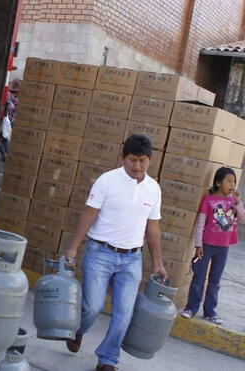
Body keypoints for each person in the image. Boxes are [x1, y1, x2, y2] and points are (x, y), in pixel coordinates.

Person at [64, 134, 168, 371]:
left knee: (124, 314)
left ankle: (107, 359)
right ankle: (79, 329)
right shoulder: (107, 181)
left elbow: (153, 228)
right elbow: (89, 214)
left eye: (142, 161)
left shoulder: (154, 189)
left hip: (132, 259)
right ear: (123, 158)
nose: (137, 166)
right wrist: (72, 248)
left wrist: (158, 263)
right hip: (100, 252)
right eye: (132, 160)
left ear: (149, 161)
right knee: (92, 306)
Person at [180, 167, 245, 325]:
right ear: (217, 182)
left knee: (215, 280)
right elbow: (201, 223)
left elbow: (243, 219)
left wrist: (238, 202)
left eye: (234, 182)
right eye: (228, 181)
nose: (232, 184)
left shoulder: (232, 202)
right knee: (199, 277)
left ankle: (210, 311)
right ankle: (191, 307)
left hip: (223, 248)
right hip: (206, 245)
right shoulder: (208, 200)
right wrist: (198, 244)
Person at [0, 78, 20, 160]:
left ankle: (5, 155)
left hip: (7, 120)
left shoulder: (14, 97)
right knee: (3, 138)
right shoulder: (11, 96)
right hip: (7, 120)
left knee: (1, 138)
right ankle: (5, 155)